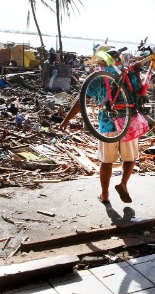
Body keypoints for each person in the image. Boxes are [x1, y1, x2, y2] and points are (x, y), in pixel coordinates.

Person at [59, 55, 138, 205]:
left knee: (106, 161)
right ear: (119, 60)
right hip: (128, 123)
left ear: (101, 61)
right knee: (130, 158)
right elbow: (140, 92)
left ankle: (105, 194)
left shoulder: (98, 77)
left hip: (107, 124)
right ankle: (123, 184)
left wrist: (67, 119)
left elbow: (82, 100)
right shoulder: (127, 73)